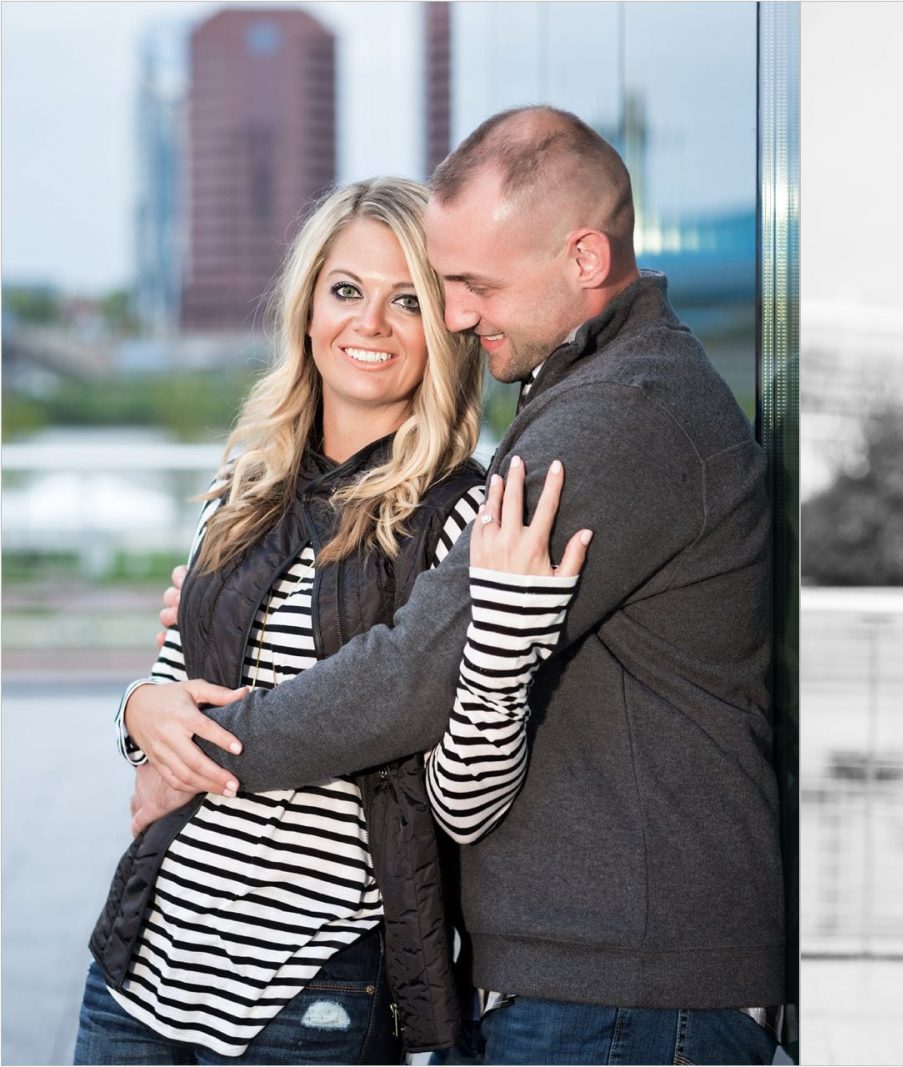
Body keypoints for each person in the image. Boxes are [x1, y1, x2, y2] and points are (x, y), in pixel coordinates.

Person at [123, 106, 784, 1066]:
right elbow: (190, 656)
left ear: (585, 258)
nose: (462, 314)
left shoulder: (619, 415)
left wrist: (190, 750)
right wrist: (146, 705)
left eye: (462, 287)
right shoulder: (584, 397)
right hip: (583, 976)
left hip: (623, 986)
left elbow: (412, 678)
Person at [74, 177, 550, 1063]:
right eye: (346, 290)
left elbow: (471, 797)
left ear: (444, 329)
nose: (368, 323)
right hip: (143, 967)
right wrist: (138, 708)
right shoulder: (244, 491)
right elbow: (174, 697)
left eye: (406, 299)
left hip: (311, 992)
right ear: (307, 309)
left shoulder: (463, 517)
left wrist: (506, 648)